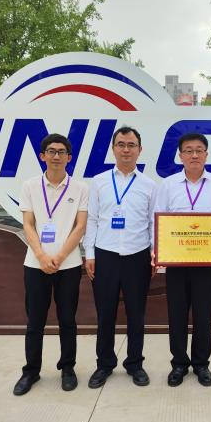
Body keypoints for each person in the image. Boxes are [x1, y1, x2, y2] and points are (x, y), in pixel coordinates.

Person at [13, 133, 88, 396]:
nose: (56, 156)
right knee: (35, 321)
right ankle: (31, 371)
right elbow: (28, 224)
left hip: (68, 265)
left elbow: (80, 226)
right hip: (36, 265)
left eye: (61, 152)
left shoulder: (80, 188)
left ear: (69, 157)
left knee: (67, 320)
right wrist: (42, 256)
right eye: (51, 151)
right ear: (42, 156)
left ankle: (67, 368)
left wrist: (60, 256)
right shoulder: (30, 186)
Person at [154, 132, 211, 387]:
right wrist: (157, 252)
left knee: (203, 314)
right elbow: (158, 219)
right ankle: (178, 364)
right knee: (176, 314)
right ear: (180, 155)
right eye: (189, 150)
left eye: (199, 150)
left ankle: (201, 364)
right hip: (176, 262)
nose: (194, 155)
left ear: (206, 155)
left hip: (206, 263)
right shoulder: (168, 185)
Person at [83, 126, 156, 388]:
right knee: (105, 314)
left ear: (140, 149)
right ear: (113, 149)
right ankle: (104, 364)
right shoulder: (99, 181)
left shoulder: (149, 185)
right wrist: (89, 253)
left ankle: (135, 364)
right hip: (105, 256)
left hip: (138, 257)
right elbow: (92, 220)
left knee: (137, 314)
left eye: (131, 145)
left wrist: (154, 254)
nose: (126, 149)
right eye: (121, 144)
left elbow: (153, 223)